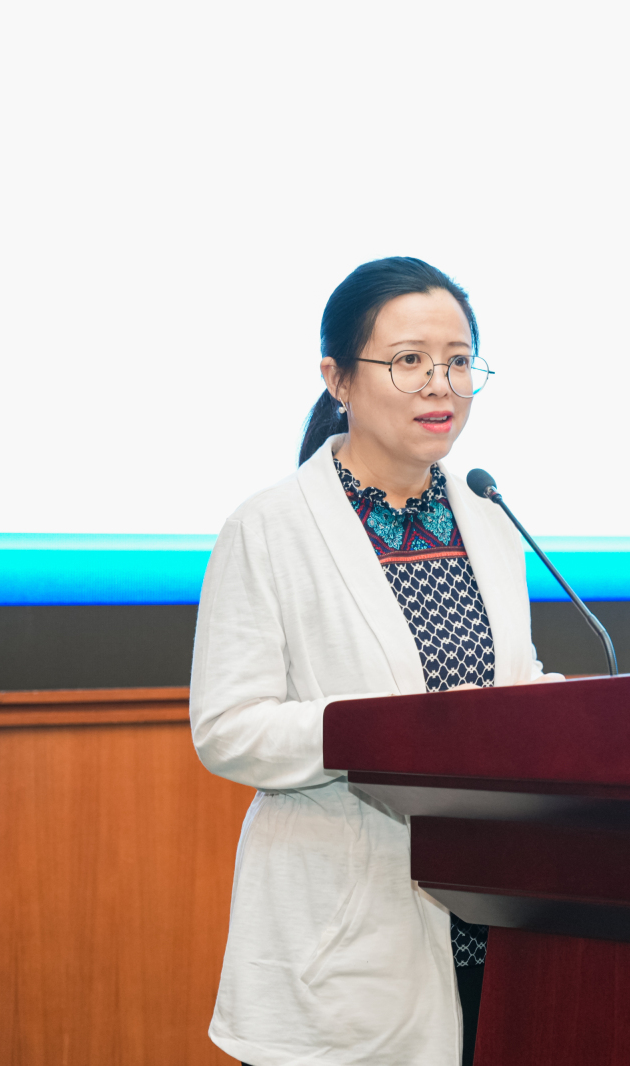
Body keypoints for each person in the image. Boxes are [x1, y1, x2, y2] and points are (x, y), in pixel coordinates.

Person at [189, 256, 560, 1066]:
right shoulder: (269, 527)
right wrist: (384, 734)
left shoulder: (488, 516)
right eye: (409, 360)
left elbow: (509, 687)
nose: (440, 384)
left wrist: (565, 712)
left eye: (458, 361)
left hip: (492, 924)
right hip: (346, 937)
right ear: (338, 379)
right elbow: (228, 729)